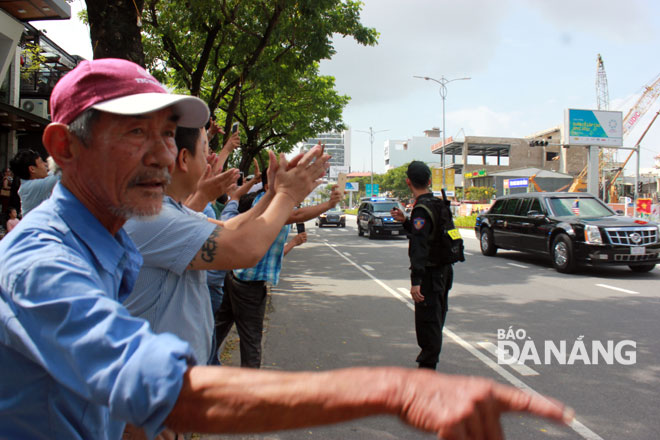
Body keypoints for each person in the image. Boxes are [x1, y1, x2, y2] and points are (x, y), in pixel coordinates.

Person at [0, 58, 571, 439]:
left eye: (168, 134)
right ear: (61, 148)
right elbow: (161, 386)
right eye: (133, 133)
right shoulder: (41, 264)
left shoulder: (111, 240)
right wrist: (393, 387)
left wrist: (282, 196)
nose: (162, 154)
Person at [215, 182, 342, 368]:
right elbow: (297, 215)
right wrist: (329, 205)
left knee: (218, 329)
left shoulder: (275, 203)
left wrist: (293, 243)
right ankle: (247, 393)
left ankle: (199, 367)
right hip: (247, 284)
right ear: (268, 185)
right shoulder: (265, 206)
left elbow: (270, 250)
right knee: (251, 342)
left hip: (239, 278)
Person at [391, 161, 463, 370]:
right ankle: (429, 364)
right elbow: (433, 236)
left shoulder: (421, 209)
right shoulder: (439, 204)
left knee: (428, 322)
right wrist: (405, 221)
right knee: (437, 317)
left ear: (408, 182)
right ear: (429, 181)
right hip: (445, 271)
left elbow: (419, 247)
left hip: (430, 275)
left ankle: (427, 371)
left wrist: (416, 282)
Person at [9, 148, 60, 216]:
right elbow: (59, 174)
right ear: (32, 169)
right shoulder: (31, 187)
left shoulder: (28, 184)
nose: (45, 164)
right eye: (41, 162)